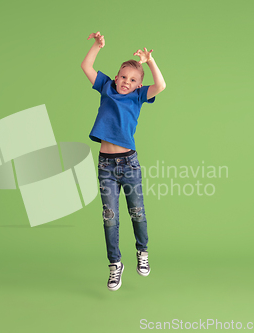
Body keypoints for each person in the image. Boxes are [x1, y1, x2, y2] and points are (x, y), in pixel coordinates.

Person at [81, 31, 166, 291]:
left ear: (138, 85)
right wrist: (97, 45)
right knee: (110, 217)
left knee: (137, 213)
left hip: (128, 163)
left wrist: (149, 62)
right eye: (122, 76)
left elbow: (160, 85)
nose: (125, 82)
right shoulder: (106, 86)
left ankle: (142, 251)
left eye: (131, 79)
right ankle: (115, 265)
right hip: (106, 164)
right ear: (115, 77)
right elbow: (86, 66)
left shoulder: (138, 96)